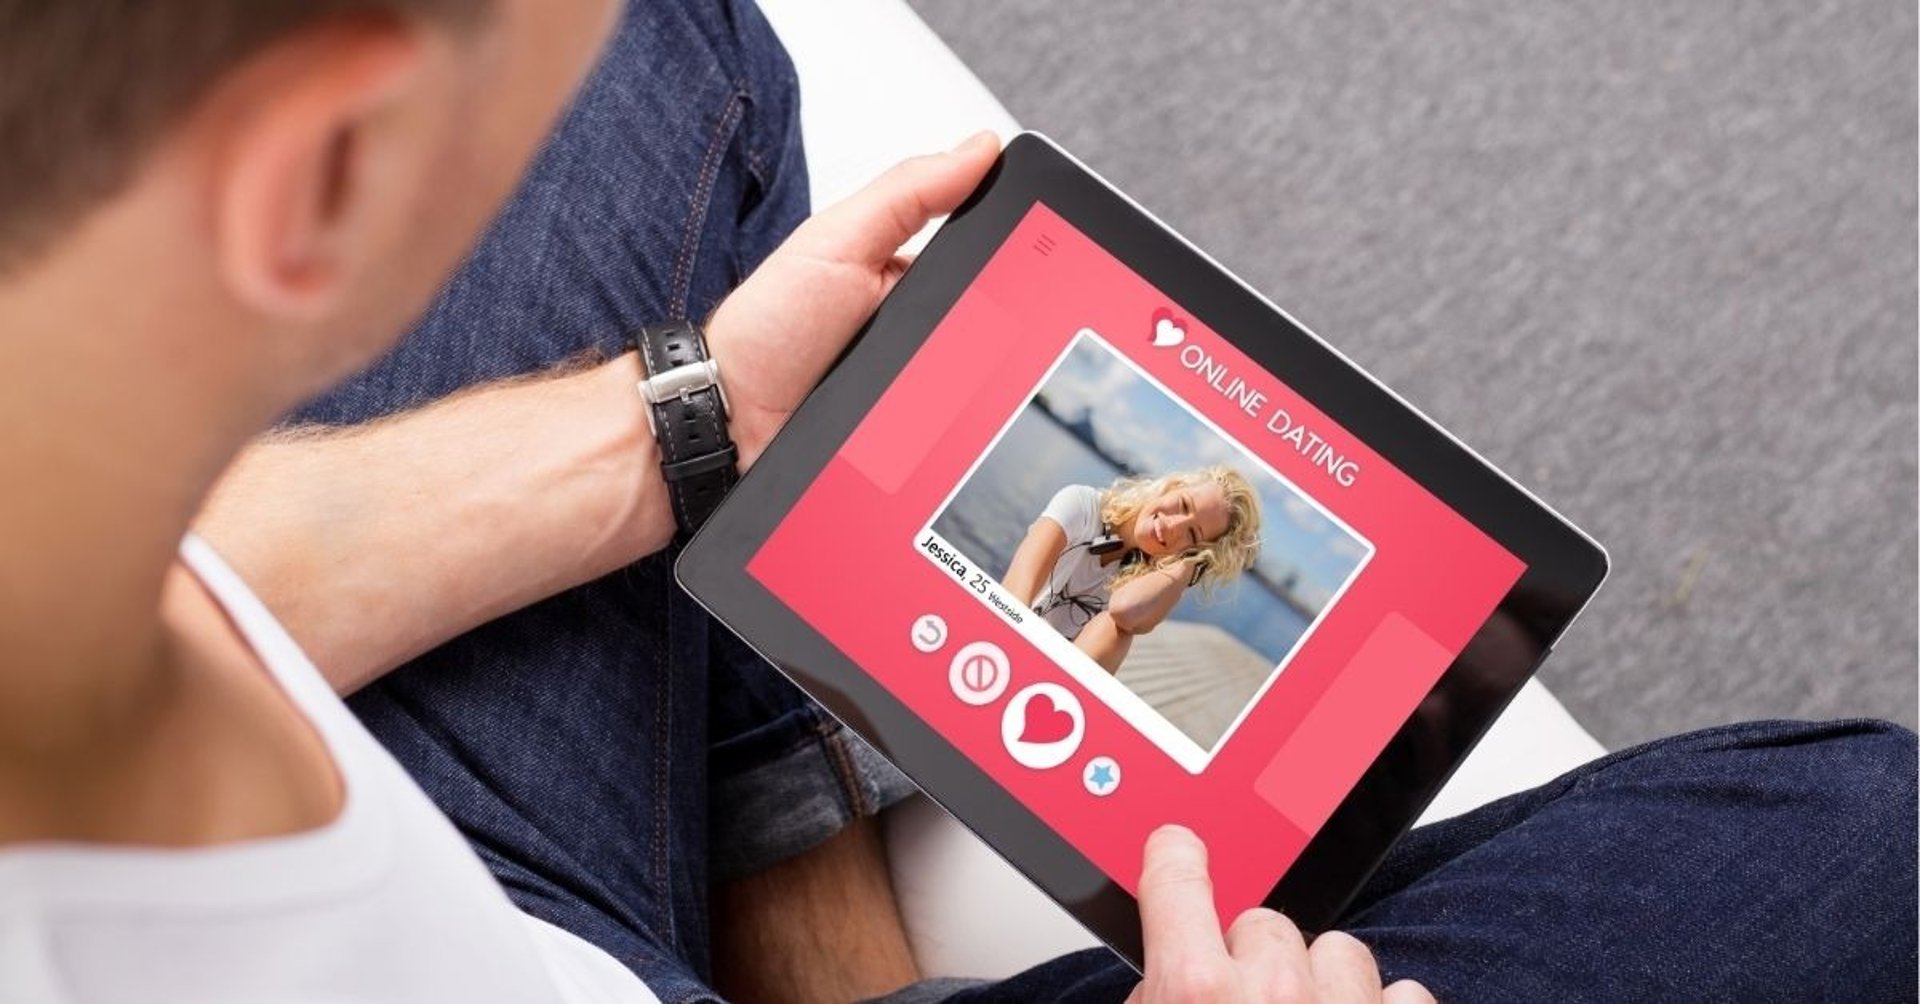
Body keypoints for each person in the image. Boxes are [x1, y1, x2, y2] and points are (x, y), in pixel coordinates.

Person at [0, 2, 1911, 1003]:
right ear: (308, 184)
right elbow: (1042, 588)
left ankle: (771, 860)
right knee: (1861, 848)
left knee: (671, 47)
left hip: (432, 870)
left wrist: (685, 421)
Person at [1002, 468, 1262, 673]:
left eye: (1193, 534)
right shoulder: (1083, 505)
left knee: (1116, 630)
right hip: (1006, 638)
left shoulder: (1157, 580)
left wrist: (1192, 563)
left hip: (1052, 680)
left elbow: (1127, 613)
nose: (1173, 526)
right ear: (1172, 487)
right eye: (1183, 505)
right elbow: (1014, 592)